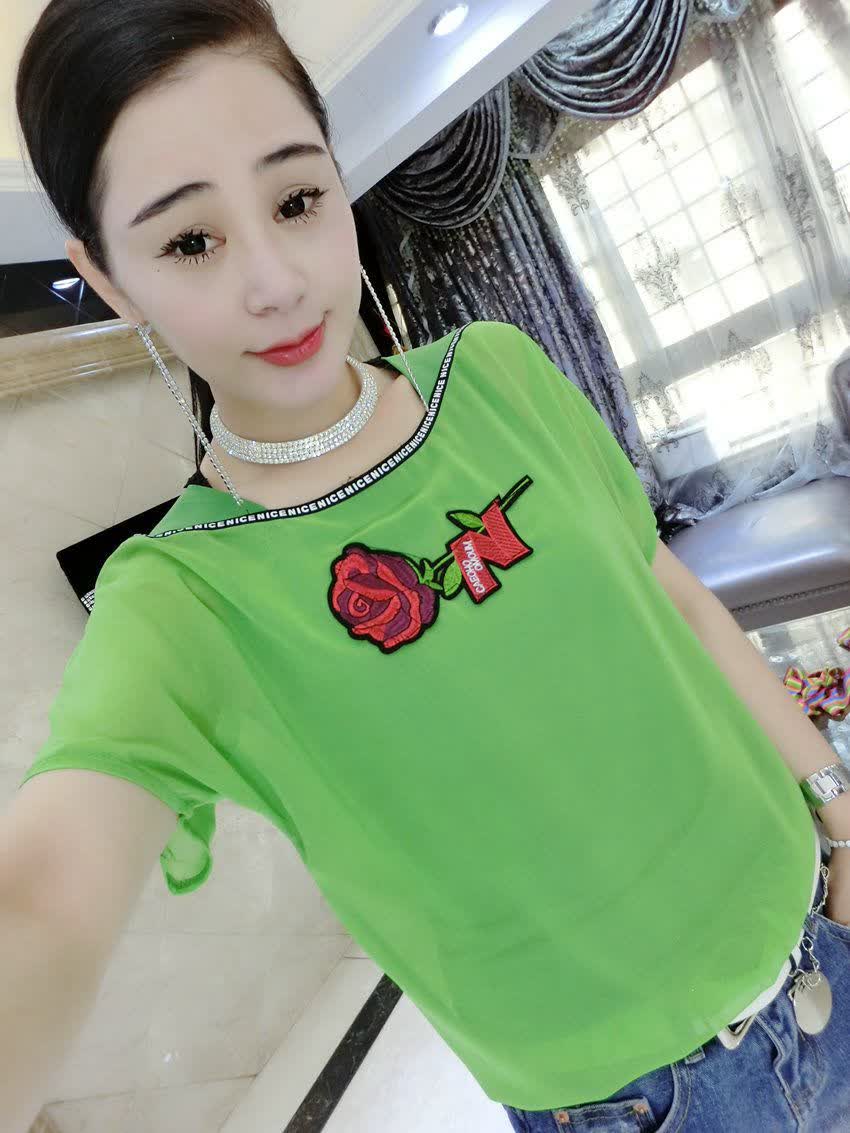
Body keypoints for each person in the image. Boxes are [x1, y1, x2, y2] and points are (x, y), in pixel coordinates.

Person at [5, 1, 850, 1130]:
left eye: (296, 199)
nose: (275, 280)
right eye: (190, 242)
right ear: (108, 280)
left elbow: (674, 599)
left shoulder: (496, 374)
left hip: (822, 939)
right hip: (650, 1104)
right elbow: (41, 901)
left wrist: (836, 807)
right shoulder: (180, 598)